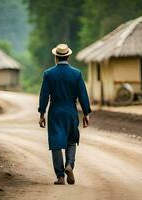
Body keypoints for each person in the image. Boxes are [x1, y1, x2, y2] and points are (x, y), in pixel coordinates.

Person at [38, 43, 91, 185]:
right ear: (68, 56)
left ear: (56, 57)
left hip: (55, 112)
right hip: (71, 112)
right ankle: (69, 165)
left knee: (55, 143)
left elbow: (44, 96)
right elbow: (83, 96)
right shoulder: (76, 74)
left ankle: (60, 176)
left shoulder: (48, 74)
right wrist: (86, 113)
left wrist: (42, 113)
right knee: (71, 140)